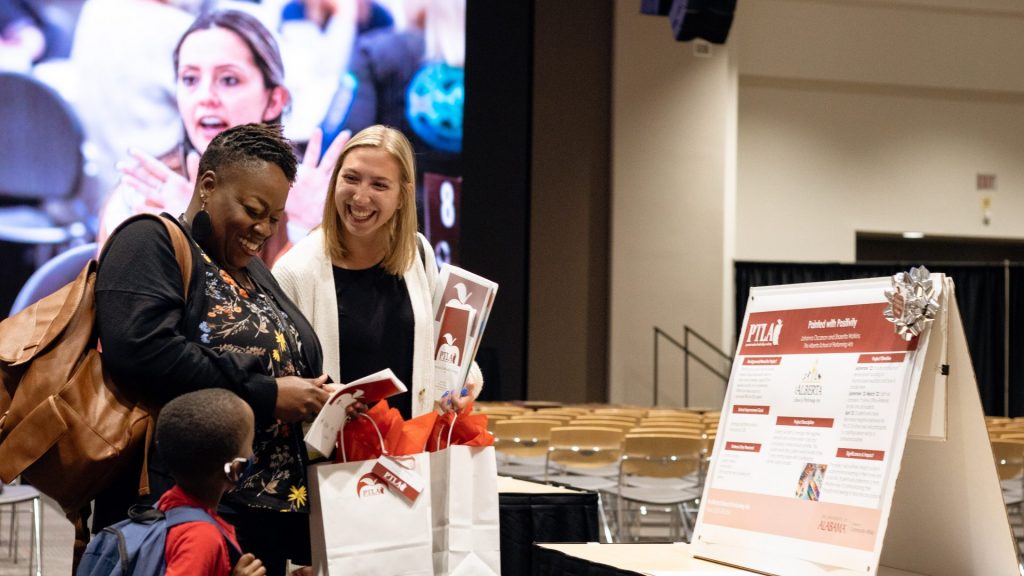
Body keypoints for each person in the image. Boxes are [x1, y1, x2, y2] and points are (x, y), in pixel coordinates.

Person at [95, 123, 330, 575]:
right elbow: (143, 350)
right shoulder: (149, 241)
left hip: (268, 518)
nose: (263, 229)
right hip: (179, 512)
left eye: (274, 218)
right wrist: (267, 394)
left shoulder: (255, 270)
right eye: (253, 210)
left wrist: (323, 396)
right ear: (208, 186)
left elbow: (287, 359)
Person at [98, 9, 348, 262]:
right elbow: (120, 300)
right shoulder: (145, 195)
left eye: (228, 80)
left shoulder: (303, 200)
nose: (205, 96)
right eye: (190, 79)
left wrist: (303, 231)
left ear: (274, 101)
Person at [273, 124, 480, 420]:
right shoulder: (295, 271)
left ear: (403, 196)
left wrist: (465, 383)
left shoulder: (418, 252)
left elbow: (439, 344)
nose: (360, 197)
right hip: (335, 459)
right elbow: (281, 382)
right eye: (351, 178)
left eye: (379, 185)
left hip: (410, 453)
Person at [155, 389, 265, 576]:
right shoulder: (201, 538)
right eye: (249, 447)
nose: (252, 455)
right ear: (235, 470)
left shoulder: (164, 506)